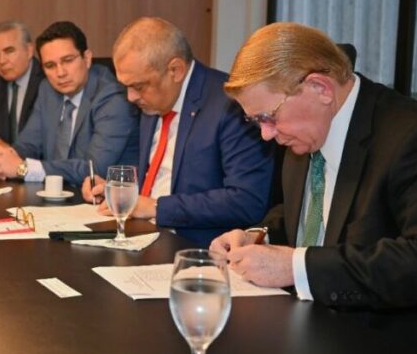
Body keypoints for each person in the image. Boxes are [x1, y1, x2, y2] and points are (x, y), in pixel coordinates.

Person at [210, 22, 417, 308]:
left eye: (268, 117)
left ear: (320, 88)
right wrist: (256, 238)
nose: (266, 134)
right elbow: (303, 214)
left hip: (379, 328)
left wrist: (296, 267)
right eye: (256, 121)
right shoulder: (304, 129)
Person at [80, 17, 273, 245]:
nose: (131, 97)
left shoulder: (230, 104)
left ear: (175, 70)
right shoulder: (153, 101)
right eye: (126, 87)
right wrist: (120, 191)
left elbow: (246, 201)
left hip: (194, 248)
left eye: (138, 86)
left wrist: (156, 207)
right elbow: (162, 174)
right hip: (140, 235)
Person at [0, 20, 138, 185]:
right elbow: (28, 145)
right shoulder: (47, 89)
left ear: (87, 58)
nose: (60, 73)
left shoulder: (113, 98)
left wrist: (23, 168)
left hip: (103, 197)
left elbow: (94, 169)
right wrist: (2, 158)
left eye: (68, 60)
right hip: (55, 194)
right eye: (50, 65)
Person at [0, 20, 45, 145]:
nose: (1, 61)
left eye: (9, 51)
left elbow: (49, 142)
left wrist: (10, 151)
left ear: (29, 50)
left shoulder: (47, 80)